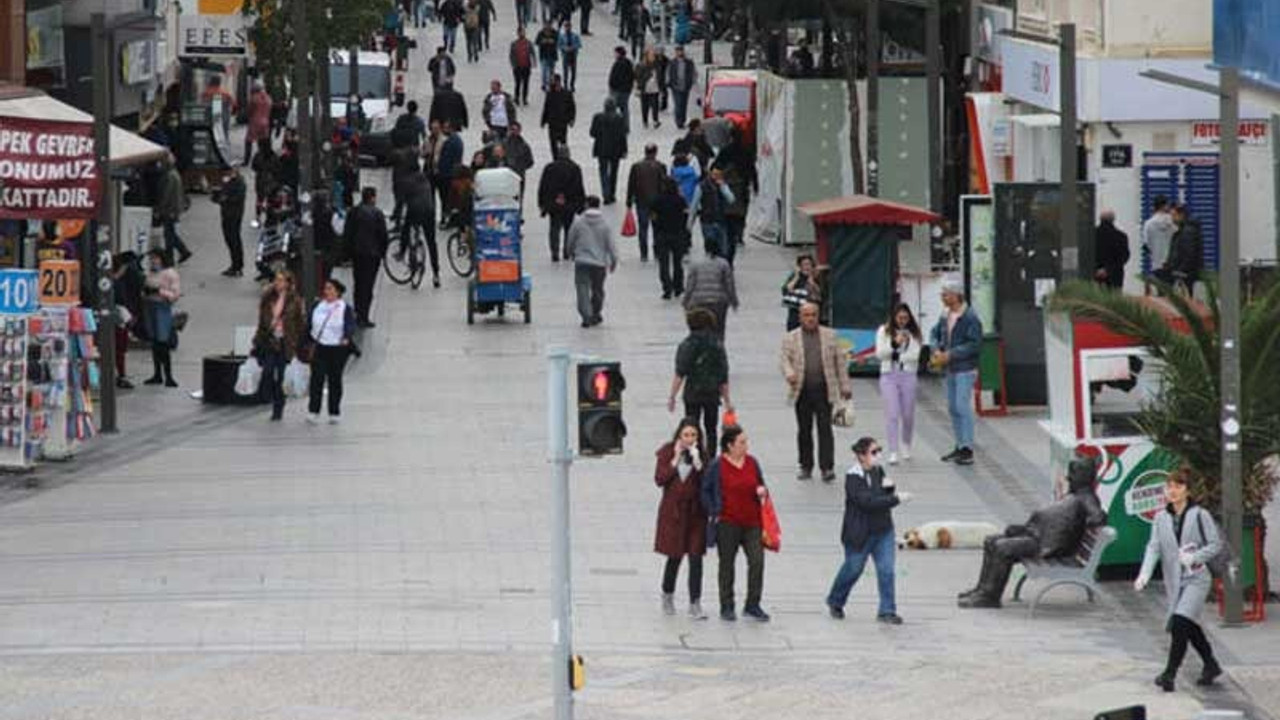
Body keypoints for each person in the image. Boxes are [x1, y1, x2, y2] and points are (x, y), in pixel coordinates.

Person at [958, 455, 1105, 608]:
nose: (1068, 477)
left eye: (1073, 473)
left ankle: (990, 597)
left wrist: (1086, 522)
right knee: (991, 541)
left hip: (1047, 546)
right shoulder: (1076, 495)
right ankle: (983, 590)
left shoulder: (1087, 497)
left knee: (1002, 547)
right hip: (1039, 537)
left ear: (1085, 475)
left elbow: (1098, 516)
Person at [1135, 467, 1224, 693]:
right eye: (1170, 487)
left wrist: (1194, 557)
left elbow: (1215, 544)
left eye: (1178, 486)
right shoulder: (1160, 518)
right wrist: (1144, 574)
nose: (1172, 491)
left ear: (1187, 490)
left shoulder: (1200, 515)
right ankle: (1211, 664)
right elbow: (1153, 547)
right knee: (1189, 624)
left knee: (1180, 623)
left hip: (1196, 578)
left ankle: (1170, 673)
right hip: (1175, 581)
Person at [826, 437, 911, 624]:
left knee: (886, 570)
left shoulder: (878, 470)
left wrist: (889, 490)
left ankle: (887, 610)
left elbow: (881, 495)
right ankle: (835, 600)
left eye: (879, 451)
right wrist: (896, 498)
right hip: (860, 534)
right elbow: (867, 502)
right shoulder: (853, 478)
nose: (877, 455)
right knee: (853, 568)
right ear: (861, 456)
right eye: (873, 452)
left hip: (883, 531)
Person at [700, 425, 771, 623]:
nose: (745, 446)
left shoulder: (752, 463)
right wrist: (714, 510)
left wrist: (762, 491)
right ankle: (727, 605)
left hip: (752, 522)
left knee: (757, 561)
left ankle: (752, 604)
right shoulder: (717, 465)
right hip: (728, 522)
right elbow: (705, 490)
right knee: (727, 565)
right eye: (741, 442)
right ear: (730, 445)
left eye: (745, 442)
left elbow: (761, 483)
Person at [781, 302, 853, 482]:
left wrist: (845, 385)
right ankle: (805, 465)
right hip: (802, 389)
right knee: (804, 430)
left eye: (813, 315)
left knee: (825, 429)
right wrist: (789, 373)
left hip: (824, 388)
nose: (810, 318)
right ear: (800, 317)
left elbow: (840, 363)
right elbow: (784, 359)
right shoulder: (791, 337)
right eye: (806, 315)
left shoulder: (830, 335)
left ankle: (827, 467)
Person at [654, 418, 711, 619]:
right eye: (686, 435)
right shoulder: (668, 451)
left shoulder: (701, 454)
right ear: (679, 435)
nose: (689, 439)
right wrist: (675, 459)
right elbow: (660, 479)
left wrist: (699, 463)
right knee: (675, 555)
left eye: (693, 435)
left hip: (696, 514)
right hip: (674, 512)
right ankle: (667, 595)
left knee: (696, 557)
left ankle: (695, 602)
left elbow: (708, 481)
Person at [929, 276, 982, 466]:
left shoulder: (970, 317)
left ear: (956, 295)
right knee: (952, 407)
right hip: (949, 368)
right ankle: (959, 444)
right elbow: (934, 333)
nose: (943, 297)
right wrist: (936, 350)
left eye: (946, 294)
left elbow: (974, 344)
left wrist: (951, 354)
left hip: (965, 368)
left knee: (962, 405)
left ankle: (967, 447)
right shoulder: (945, 315)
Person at [669, 308, 731, 453]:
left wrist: (672, 396)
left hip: (692, 392)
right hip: (712, 393)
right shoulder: (717, 344)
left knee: (691, 426)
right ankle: (710, 456)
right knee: (711, 429)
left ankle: (693, 455)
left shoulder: (687, 344)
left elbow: (680, 373)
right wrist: (727, 400)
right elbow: (723, 374)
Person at [254, 271, 306, 421]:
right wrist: (256, 341)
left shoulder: (295, 301)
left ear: (288, 283)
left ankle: (278, 406)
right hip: (269, 341)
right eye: (276, 280)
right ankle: (269, 396)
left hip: (285, 343)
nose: (278, 283)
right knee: (268, 371)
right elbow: (261, 322)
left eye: (281, 281)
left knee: (282, 377)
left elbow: (300, 323)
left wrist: (297, 342)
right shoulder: (267, 298)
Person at [875, 304, 923, 465]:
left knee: (908, 414)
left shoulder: (914, 333)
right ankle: (893, 450)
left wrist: (900, 354)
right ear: (894, 317)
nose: (903, 321)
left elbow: (915, 355)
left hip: (908, 374)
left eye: (906, 318)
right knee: (892, 413)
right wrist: (894, 344)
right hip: (889, 374)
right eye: (900, 318)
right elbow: (881, 354)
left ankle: (906, 443)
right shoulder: (884, 331)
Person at [307, 278, 359, 424]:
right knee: (316, 379)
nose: (327, 291)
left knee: (335, 380)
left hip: (337, 349)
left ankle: (334, 411)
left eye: (330, 289)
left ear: (338, 292)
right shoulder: (317, 306)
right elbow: (309, 324)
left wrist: (346, 337)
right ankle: (313, 410)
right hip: (319, 347)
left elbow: (350, 324)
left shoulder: (344, 307)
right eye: (326, 288)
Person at [564, 196, 618, 327]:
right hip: (599, 263)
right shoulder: (605, 223)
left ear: (587, 205)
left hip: (582, 261)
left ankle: (586, 314)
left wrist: (570, 252)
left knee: (582, 288)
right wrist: (613, 260)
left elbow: (570, 240)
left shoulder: (578, 222)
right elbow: (611, 244)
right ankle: (595, 312)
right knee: (598, 289)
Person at [344, 187, 390, 328]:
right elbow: (383, 236)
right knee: (368, 285)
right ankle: (364, 315)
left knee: (358, 284)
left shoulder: (354, 212)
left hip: (358, 254)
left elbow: (348, 233)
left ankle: (358, 313)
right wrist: (382, 252)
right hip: (372, 255)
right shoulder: (377, 213)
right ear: (373, 198)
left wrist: (348, 253)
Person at [537, 142, 585, 262]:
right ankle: (567, 251)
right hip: (569, 204)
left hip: (554, 204)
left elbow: (543, 187)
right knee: (568, 228)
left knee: (554, 228)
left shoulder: (549, 168)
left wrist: (542, 204)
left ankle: (555, 252)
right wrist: (580, 205)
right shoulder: (575, 168)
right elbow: (579, 187)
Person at [711, 137, 757, 263]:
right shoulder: (746, 151)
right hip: (742, 187)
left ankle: (727, 242)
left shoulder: (725, 151)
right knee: (741, 213)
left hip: (725, 188)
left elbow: (715, 166)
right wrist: (755, 184)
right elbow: (752, 169)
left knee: (726, 222)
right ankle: (739, 234)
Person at [142, 248, 180, 388]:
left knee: (162, 341)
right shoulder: (150, 273)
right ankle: (157, 373)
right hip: (149, 306)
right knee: (154, 342)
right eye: (151, 259)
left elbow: (175, 294)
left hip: (162, 307)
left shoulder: (170, 274)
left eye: (155, 258)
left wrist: (160, 291)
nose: (153, 261)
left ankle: (168, 375)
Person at [625, 143, 667, 262]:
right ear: (655, 152)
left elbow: (631, 185)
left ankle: (644, 253)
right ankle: (657, 251)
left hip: (641, 202)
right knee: (657, 228)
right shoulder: (661, 166)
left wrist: (629, 200)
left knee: (643, 227)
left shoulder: (636, 167)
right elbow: (663, 185)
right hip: (656, 204)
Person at [651, 176, 690, 298]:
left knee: (664, 264)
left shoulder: (657, 200)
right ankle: (678, 286)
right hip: (678, 234)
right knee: (678, 263)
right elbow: (685, 216)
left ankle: (667, 288)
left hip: (662, 234)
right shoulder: (680, 200)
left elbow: (653, 217)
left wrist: (656, 229)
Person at [682, 251, 737, 340]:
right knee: (719, 328)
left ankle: (701, 347)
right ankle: (718, 347)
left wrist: (686, 300)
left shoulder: (695, 264)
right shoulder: (724, 264)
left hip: (699, 302)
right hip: (718, 302)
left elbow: (690, 284)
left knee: (699, 327)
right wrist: (733, 300)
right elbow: (729, 284)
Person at [402, 171, 441, 288]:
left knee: (407, 230)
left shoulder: (408, 182)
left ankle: (405, 254)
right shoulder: (426, 182)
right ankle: (436, 274)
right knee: (431, 243)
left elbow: (404, 202)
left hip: (415, 211)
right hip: (429, 212)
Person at [589, 97, 628, 205]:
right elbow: (622, 136)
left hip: (601, 149)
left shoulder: (597, 118)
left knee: (603, 172)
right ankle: (612, 194)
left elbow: (592, 133)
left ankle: (606, 193)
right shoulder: (619, 119)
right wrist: (624, 150)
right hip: (616, 150)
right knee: (614, 173)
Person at [155, 155, 193, 264]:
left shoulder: (169, 176)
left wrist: (159, 209)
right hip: (173, 209)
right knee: (170, 233)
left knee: (169, 235)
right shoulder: (174, 174)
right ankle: (182, 251)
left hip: (169, 210)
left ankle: (172, 256)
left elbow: (166, 195)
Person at [692, 167, 734, 261]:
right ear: (710, 173)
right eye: (714, 174)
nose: (716, 176)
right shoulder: (701, 186)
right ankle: (711, 267)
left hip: (720, 220)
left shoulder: (723, 185)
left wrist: (723, 187)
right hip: (707, 221)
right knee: (710, 246)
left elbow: (731, 199)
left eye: (719, 174)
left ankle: (721, 268)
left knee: (723, 249)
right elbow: (694, 205)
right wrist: (690, 222)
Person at [1161, 204, 1203, 296]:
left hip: (1185, 276)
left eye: (1174, 215)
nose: (1172, 219)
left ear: (1181, 215)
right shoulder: (1182, 232)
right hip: (1181, 273)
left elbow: (1189, 255)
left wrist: (1179, 271)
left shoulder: (1188, 232)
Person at [212, 168, 247, 277]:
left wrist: (225, 199)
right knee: (229, 239)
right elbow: (221, 194)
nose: (228, 173)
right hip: (226, 214)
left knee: (234, 239)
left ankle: (238, 266)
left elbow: (237, 198)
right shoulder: (227, 181)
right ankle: (234, 265)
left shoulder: (239, 182)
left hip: (234, 215)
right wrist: (217, 196)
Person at [1142, 195, 1176, 282]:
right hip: (1172, 263)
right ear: (1164, 206)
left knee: (1160, 292)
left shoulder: (1148, 224)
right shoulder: (1173, 223)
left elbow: (1146, 245)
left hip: (1157, 264)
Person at [1094, 209, 1130, 290]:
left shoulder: (1091, 235)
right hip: (1115, 276)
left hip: (1094, 276)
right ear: (1113, 220)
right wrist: (1108, 270)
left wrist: (1097, 270)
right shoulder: (1121, 237)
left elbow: (1086, 255)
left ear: (1100, 219)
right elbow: (1124, 257)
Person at [782, 254, 820, 330]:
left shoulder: (816, 277)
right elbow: (786, 290)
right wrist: (796, 277)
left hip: (810, 314)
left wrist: (812, 282)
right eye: (804, 265)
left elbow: (820, 294)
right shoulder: (795, 276)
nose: (807, 267)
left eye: (809, 264)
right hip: (795, 313)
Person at [503, 121, 535, 207]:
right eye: (512, 129)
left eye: (516, 130)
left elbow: (530, 161)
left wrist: (521, 167)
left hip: (519, 176)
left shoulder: (524, 146)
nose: (513, 132)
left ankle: (518, 215)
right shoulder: (503, 144)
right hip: (505, 176)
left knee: (518, 199)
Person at [541, 73, 576, 149]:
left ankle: (562, 157)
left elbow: (572, 108)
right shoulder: (549, 94)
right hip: (552, 122)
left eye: (553, 81)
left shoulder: (567, 94)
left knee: (563, 142)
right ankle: (555, 158)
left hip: (562, 122)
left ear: (558, 82)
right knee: (553, 143)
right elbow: (546, 107)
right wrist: (543, 121)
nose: (551, 83)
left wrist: (571, 119)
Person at [436, 121, 465, 210]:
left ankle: (446, 216)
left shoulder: (451, 141)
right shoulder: (457, 140)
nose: (444, 130)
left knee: (445, 198)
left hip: (447, 175)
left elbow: (446, 159)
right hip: (452, 173)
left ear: (451, 128)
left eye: (445, 128)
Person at [666, 45, 697, 129]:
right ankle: (678, 121)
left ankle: (682, 120)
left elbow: (693, 72)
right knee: (678, 104)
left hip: (686, 86)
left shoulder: (689, 62)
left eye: (680, 51)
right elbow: (668, 72)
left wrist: (692, 81)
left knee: (684, 104)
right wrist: (668, 82)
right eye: (677, 51)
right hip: (675, 86)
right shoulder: (672, 62)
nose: (679, 53)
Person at [244, 81, 273, 166]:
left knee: (248, 141)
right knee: (262, 142)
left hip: (255, 122)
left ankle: (246, 161)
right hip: (265, 122)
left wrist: (248, 116)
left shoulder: (254, 98)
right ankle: (264, 160)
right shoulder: (269, 98)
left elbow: (250, 110)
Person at [607, 46, 635, 133]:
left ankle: (615, 126)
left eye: (615, 53)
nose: (614, 55)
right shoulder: (628, 63)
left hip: (618, 90)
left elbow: (616, 77)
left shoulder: (619, 63)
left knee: (614, 108)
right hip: (625, 90)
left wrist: (613, 86)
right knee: (624, 109)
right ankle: (625, 126)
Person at [636, 48, 663, 129]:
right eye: (651, 55)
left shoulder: (657, 65)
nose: (653, 57)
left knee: (655, 105)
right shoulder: (641, 65)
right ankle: (645, 121)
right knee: (645, 106)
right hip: (645, 88)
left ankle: (655, 120)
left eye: (653, 55)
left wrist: (661, 87)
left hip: (655, 88)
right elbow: (638, 77)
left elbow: (660, 76)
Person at [509, 27, 535, 105]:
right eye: (520, 32)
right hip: (517, 66)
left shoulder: (528, 43)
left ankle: (524, 98)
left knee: (526, 83)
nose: (522, 34)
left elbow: (532, 52)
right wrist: (513, 64)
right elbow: (511, 55)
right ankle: (516, 98)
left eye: (523, 32)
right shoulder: (514, 43)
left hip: (526, 66)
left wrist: (534, 61)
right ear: (518, 33)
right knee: (517, 83)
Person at [535, 21, 560, 91]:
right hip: (543, 55)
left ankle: (551, 84)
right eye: (546, 25)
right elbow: (537, 42)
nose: (548, 27)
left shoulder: (555, 33)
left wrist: (553, 41)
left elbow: (558, 41)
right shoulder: (541, 33)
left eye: (549, 25)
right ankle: (544, 84)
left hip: (552, 55)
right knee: (544, 71)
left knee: (552, 71)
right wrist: (542, 42)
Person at [558, 21, 581, 92]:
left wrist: (573, 48)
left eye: (568, 26)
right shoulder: (562, 36)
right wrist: (564, 48)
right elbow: (559, 45)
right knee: (565, 71)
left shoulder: (575, 35)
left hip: (573, 54)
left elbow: (579, 44)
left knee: (573, 71)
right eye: (566, 27)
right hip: (565, 55)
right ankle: (565, 85)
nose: (567, 28)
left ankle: (572, 85)